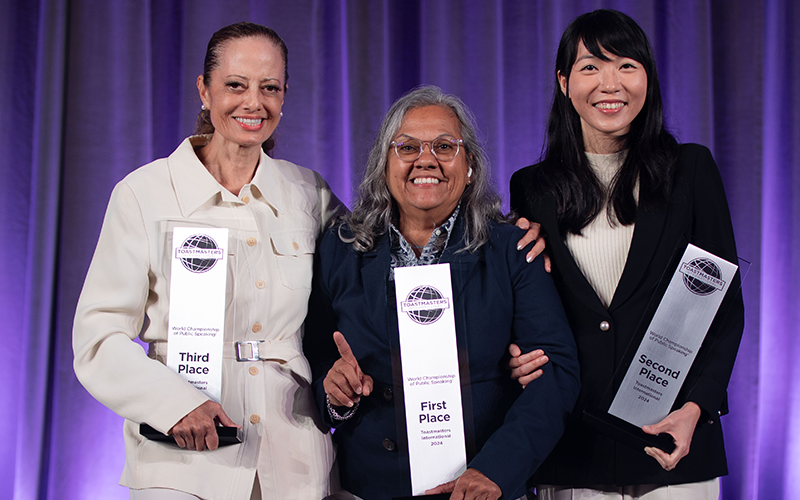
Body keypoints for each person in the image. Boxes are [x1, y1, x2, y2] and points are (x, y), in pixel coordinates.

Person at [70, 22, 336, 500]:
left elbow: (383, 256)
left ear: (284, 95)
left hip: (295, 466)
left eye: (269, 88)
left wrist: (503, 233)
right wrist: (172, 404)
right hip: (183, 465)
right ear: (204, 90)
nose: (253, 103)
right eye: (236, 85)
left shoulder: (308, 194)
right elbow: (98, 337)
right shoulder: (143, 194)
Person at [505, 10, 745, 500]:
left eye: (626, 66)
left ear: (647, 78)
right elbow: (526, 306)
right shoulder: (532, 187)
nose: (609, 84)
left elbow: (724, 306)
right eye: (591, 66)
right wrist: (513, 359)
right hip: (571, 445)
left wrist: (697, 407)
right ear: (564, 82)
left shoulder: (691, 169)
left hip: (671, 441)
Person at [303, 86, 581, 500]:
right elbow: (316, 356)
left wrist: (496, 471)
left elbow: (554, 372)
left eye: (445, 146)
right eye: (407, 146)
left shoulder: (511, 247)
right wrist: (333, 388)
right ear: (385, 165)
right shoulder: (339, 249)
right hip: (371, 486)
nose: (425, 159)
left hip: (482, 487)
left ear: (469, 166)